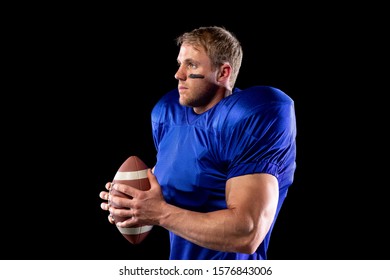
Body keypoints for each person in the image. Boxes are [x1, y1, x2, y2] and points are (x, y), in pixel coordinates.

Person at [99, 26, 297, 260]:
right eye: (180, 63)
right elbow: (186, 180)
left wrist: (159, 213)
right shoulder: (168, 115)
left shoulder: (252, 115)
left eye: (191, 65)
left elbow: (247, 233)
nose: (178, 74)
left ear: (223, 73)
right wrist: (131, 202)